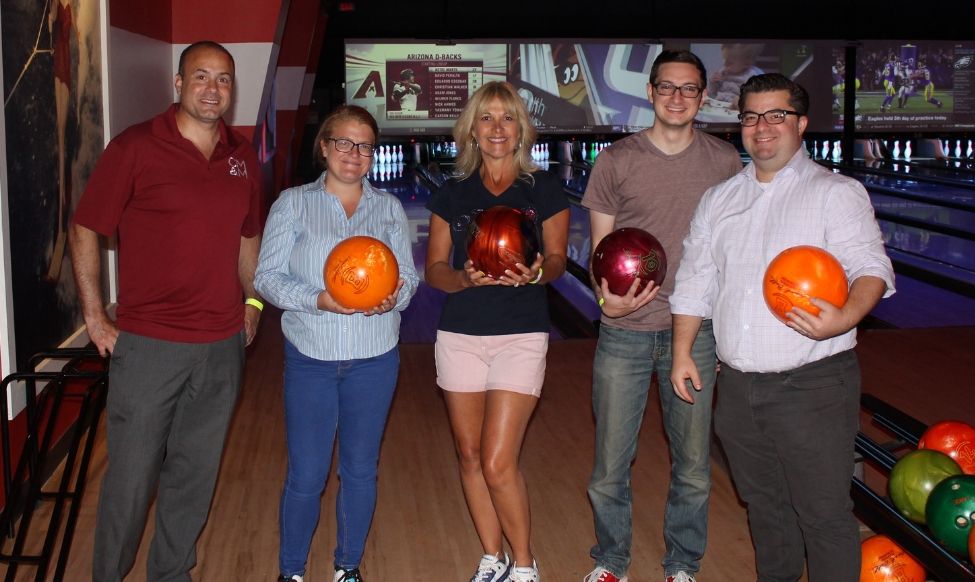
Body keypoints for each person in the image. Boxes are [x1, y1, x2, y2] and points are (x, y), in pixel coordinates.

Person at [670, 73, 895, 582]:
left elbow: (871, 266)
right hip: (737, 387)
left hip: (813, 386)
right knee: (766, 511)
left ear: (801, 124)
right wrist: (683, 351)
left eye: (776, 115)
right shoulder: (719, 199)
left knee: (823, 515)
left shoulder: (836, 193)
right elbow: (695, 281)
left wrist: (846, 316)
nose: (762, 127)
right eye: (751, 117)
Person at [68, 40, 264, 581]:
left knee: (194, 475)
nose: (212, 89)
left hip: (221, 345)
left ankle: (171, 573)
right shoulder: (135, 147)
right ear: (178, 84)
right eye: (200, 76)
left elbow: (249, 234)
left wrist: (252, 301)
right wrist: (95, 318)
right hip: (150, 345)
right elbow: (85, 226)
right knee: (131, 480)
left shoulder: (242, 155)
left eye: (223, 79)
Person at [581, 50, 742, 582]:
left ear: (703, 96)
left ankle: (682, 564)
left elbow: (733, 248)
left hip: (694, 334)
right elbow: (599, 250)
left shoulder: (724, 161)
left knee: (693, 466)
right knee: (609, 467)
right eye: (667, 87)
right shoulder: (616, 160)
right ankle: (611, 561)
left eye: (689, 88)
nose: (677, 97)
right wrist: (605, 301)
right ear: (649, 92)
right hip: (623, 333)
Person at [255, 105, 418, 582]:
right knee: (307, 474)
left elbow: (408, 279)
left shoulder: (388, 208)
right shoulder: (292, 203)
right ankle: (291, 571)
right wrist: (317, 299)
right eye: (343, 142)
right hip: (312, 358)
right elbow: (267, 277)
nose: (354, 153)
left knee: (361, 469)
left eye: (365, 146)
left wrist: (393, 298)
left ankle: (348, 566)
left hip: (374, 358)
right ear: (324, 146)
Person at [425, 81, 569, 582]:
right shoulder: (451, 192)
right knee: (469, 456)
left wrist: (536, 272)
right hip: (461, 335)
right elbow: (434, 270)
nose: (497, 128)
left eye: (507, 117)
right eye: (486, 117)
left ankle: (525, 564)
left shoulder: (542, 189)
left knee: (497, 461)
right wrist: (464, 278)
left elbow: (557, 261)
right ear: (471, 129)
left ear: (521, 128)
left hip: (520, 333)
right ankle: (493, 557)